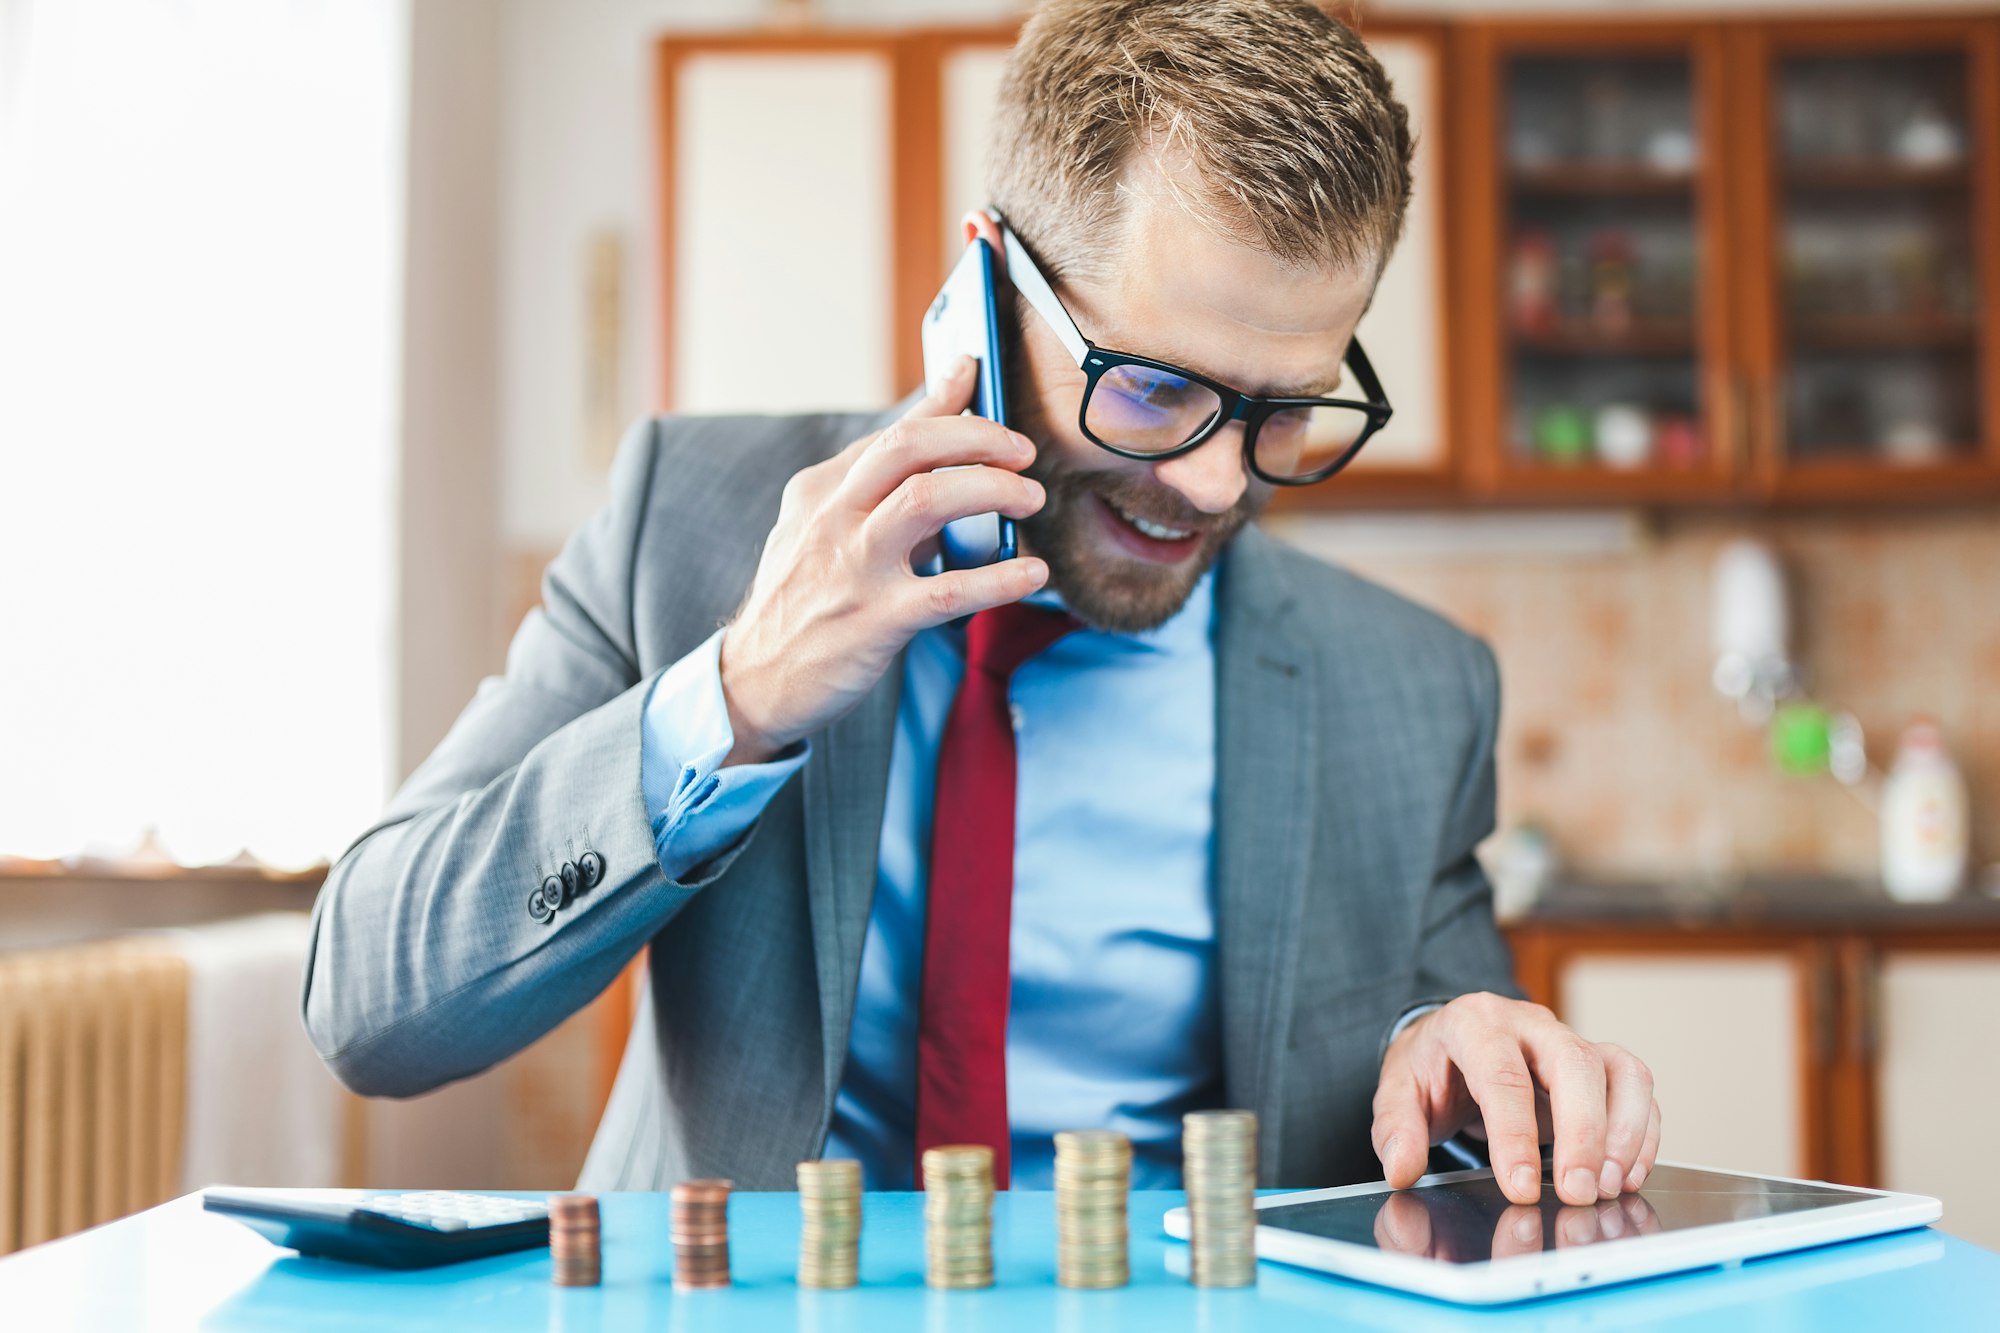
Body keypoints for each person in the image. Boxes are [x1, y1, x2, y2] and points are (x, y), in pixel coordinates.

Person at [303, 0, 1659, 1207]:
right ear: (989, 291)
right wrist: (738, 695)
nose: (1212, 481)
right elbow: (370, 1001)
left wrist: (1476, 1074)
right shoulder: (689, 522)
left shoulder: (1413, 690)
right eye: (1150, 387)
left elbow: (1460, 1089)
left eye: (1285, 409)